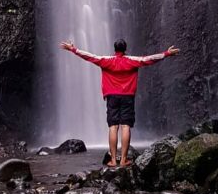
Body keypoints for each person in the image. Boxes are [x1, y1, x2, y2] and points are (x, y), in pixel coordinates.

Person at [59, 38, 180, 167]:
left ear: (114, 49)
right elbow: (149, 59)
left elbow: (89, 56)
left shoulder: (106, 61)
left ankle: (113, 160)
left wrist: (73, 49)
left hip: (111, 97)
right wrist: (167, 53)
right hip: (127, 97)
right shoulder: (132, 61)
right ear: (125, 49)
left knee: (113, 126)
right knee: (125, 126)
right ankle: (123, 160)